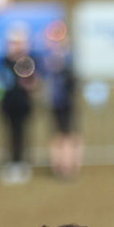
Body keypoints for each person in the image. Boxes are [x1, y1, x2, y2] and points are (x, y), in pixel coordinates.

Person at [0, 27, 38, 186]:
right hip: (8, 103)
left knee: (22, 133)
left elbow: (35, 82)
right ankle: (12, 162)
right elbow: (0, 81)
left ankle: (22, 162)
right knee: (9, 133)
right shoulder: (4, 61)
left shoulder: (29, 61)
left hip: (23, 103)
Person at [43, 22, 81, 181]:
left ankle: (68, 165)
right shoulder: (49, 58)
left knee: (67, 134)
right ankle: (60, 165)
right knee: (58, 135)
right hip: (55, 100)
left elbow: (72, 78)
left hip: (66, 100)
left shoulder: (67, 57)